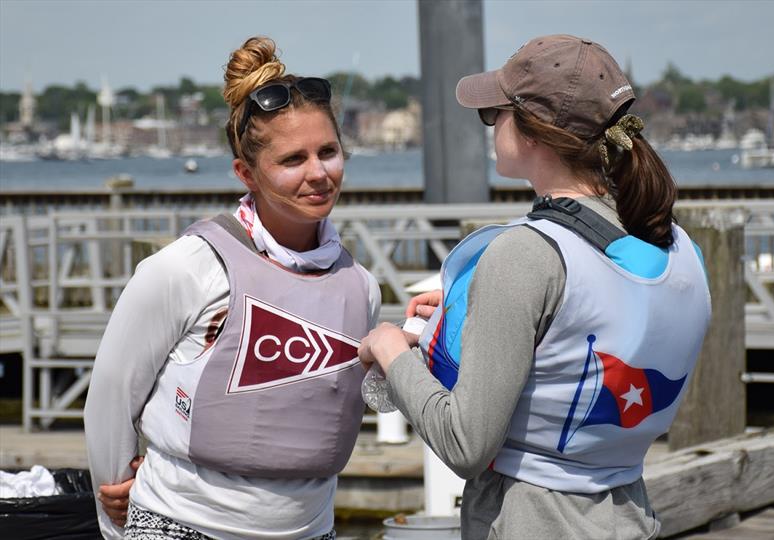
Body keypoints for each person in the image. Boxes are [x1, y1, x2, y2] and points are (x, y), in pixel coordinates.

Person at [358, 35, 711, 539]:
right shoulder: (680, 248)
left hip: (533, 521)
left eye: (494, 114)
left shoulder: (526, 255)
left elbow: (465, 445)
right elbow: (596, 330)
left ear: (532, 133)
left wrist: (392, 351)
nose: (490, 126)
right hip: (629, 516)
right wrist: (465, 312)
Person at [84, 35, 380, 540]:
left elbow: (359, 401)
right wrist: (115, 511)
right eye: (292, 160)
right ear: (247, 173)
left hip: (312, 530)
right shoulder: (186, 267)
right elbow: (111, 395)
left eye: (328, 152)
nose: (318, 174)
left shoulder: (361, 287)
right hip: (181, 525)